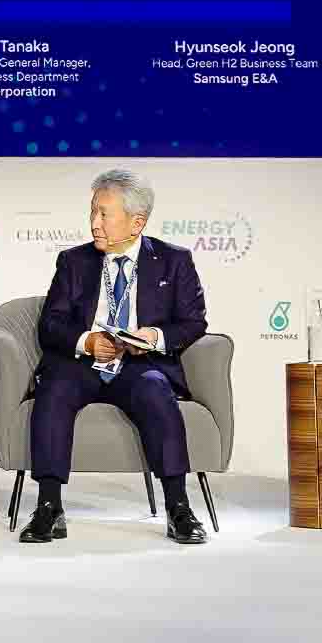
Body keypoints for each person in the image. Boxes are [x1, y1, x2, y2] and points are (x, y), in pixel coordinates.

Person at [19, 168, 210, 545]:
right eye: (92, 211)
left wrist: (153, 337)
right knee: (54, 389)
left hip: (138, 365)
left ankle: (179, 508)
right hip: (82, 366)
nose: (94, 223)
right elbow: (50, 325)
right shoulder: (74, 261)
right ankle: (48, 507)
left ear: (137, 222)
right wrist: (87, 341)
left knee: (156, 391)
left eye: (104, 214)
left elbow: (193, 322)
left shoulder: (174, 261)